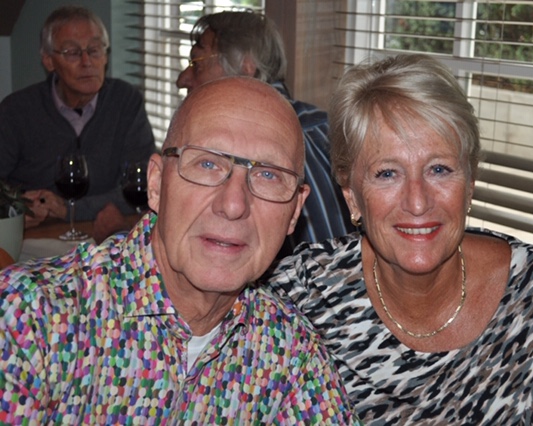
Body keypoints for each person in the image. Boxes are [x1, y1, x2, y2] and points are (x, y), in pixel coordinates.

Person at [0, 77, 359, 424]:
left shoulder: (290, 350)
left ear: (294, 211)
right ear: (156, 184)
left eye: (268, 175)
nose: (234, 205)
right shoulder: (29, 320)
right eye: (208, 164)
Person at [268, 54, 533, 424]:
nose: (417, 202)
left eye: (439, 169)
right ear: (351, 195)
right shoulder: (302, 296)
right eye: (387, 173)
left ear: (470, 183)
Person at [176, 11, 354, 256]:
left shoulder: (277, 150)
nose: (182, 79)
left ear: (246, 67)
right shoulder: (325, 125)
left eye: (197, 64)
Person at [0, 6, 155, 230]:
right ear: (49, 61)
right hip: (38, 235)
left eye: (95, 50)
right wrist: (17, 208)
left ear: (106, 55)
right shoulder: (16, 110)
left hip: (102, 233)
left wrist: (69, 209)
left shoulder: (125, 101)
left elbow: (145, 186)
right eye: (72, 52)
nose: (86, 61)